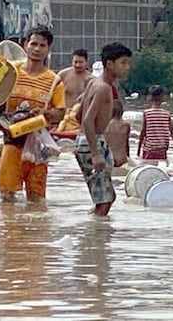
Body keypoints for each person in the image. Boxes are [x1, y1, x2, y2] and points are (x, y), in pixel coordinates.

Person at [0, 26, 66, 204]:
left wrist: (45, 113)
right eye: (33, 43)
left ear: (48, 49)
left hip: (38, 144)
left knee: (36, 197)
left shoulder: (54, 80)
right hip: (12, 141)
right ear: (25, 45)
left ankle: (36, 231)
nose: (37, 49)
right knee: (7, 196)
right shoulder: (10, 72)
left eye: (42, 45)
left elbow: (60, 113)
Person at [75, 42, 132, 216]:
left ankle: (95, 231)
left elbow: (78, 115)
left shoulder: (94, 83)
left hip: (91, 141)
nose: (127, 68)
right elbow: (86, 120)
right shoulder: (103, 88)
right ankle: (94, 239)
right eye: (123, 63)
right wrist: (95, 153)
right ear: (109, 64)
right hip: (92, 143)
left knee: (106, 198)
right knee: (105, 200)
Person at [52, 49, 94, 137]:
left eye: (81, 62)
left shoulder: (91, 80)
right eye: (75, 62)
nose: (77, 65)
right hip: (61, 118)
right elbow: (51, 93)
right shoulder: (63, 74)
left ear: (86, 62)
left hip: (79, 121)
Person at [137, 85, 173, 162]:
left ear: (150, 98)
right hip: (162, 149)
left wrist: (138, 149)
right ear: (162, 98)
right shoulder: (166, 114)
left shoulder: (147, 113)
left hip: (150, 149)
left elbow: (143, 132)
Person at [104, 100, 131, 167]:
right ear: (122, 112)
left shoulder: (105, 125)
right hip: (121, 159)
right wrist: (128, 158)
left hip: (108, 158)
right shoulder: (126, 125)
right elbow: (127, 145)